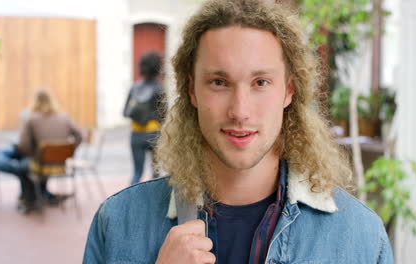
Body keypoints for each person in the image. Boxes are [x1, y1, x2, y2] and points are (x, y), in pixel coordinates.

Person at [84, 0, 393, 263]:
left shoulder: (361, 239)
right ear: (192, 90)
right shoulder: (117, 223)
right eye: (219, 82)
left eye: (260, 83)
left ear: (289, 91)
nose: (240, 111)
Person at [0, 89, 83, 213]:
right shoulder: (65, 118)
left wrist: (32, 150)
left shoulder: (31, 119)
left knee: (22, 165)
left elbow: (23, 147)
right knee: (27, 162)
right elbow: (80, 136)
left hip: (40, 165)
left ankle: (29, 200)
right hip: (60, 164)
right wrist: (68, 151)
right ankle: (41, 194)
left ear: (34, 102)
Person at [123, 52, 163, 185]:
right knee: (156, 174)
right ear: (158, 67)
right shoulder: (159, 88)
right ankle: (155, 204)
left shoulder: (134, 87)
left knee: (137, 173)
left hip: (136, 134)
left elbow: (125, 112)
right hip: (154, 134)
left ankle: (130, 202)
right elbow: (165, 115)